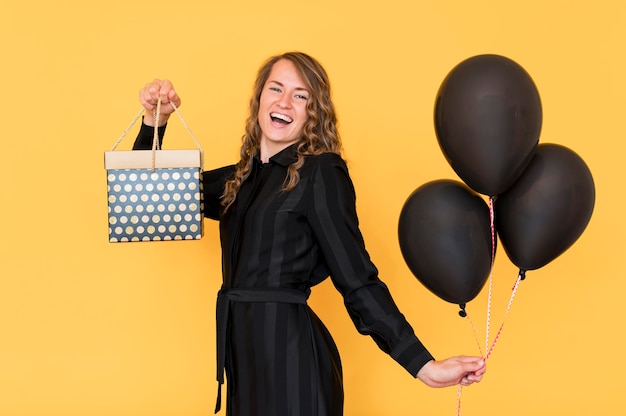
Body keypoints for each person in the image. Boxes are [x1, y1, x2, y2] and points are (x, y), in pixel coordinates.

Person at [133, 51, 486, 416]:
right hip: (243, 365)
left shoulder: (322, 173)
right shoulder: (239, 180)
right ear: (259, 99)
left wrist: (423, 366)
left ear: (313, 113)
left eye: (301, 96)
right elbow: (145, 199)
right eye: (276, 88)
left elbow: (357, 279)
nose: (285, 102)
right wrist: (154, 123)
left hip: (294, 367)